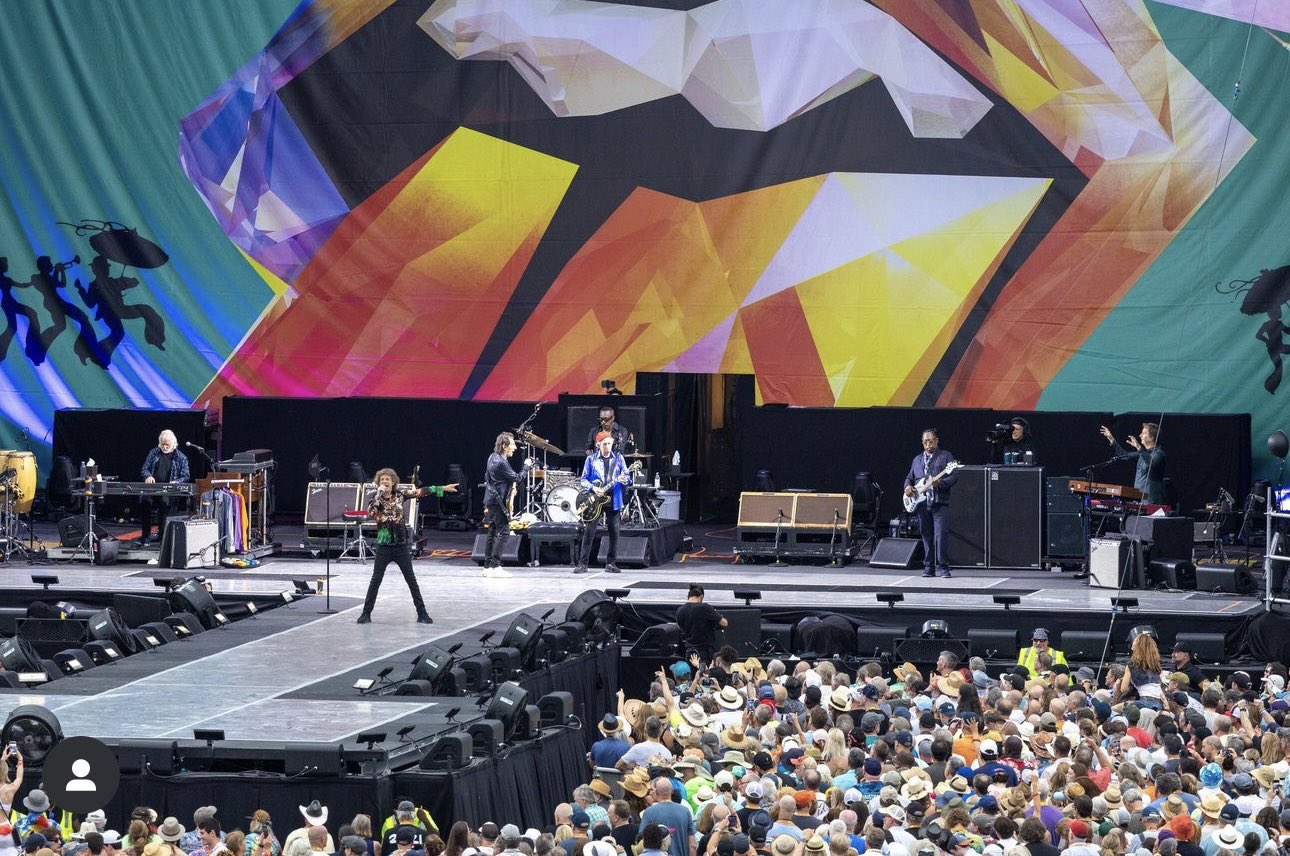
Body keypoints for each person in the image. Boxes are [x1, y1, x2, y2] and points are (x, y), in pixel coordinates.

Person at [357, 469, 456, 624]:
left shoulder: (400, 495)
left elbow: (421, 492)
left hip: (400, 546)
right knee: (375, 581)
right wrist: (378, 495)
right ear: (378, 483)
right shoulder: (374, 498)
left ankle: (422, 614)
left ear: (393, 482)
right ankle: (365, 614)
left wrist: (441, 488)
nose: (385, 481)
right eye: (382, 479)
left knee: (411, 580)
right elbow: (371, 513)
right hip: (383, 547)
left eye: (388, 479)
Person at [903, 428, 958, 579]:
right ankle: (928, 568)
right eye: (925, 442)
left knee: (941, 535)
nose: (928, 444)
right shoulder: (917, 460)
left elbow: (954, 476)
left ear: (937, 440)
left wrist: (940, 482)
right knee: (926, 535)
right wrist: (907, 488)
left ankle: (943, 568)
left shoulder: (945, 456)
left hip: (939, 502)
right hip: (921, 504)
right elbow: (909, 478)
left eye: (931, 441)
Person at [574, 432, 632, 575]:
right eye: (604, 444)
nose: (607, 447)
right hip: (595, 498)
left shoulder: (618, 458)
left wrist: (625, 479)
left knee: (614, 532)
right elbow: (583, 480)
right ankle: (583, 564)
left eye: (609, 444)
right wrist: (594, 488)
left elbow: (627, 477)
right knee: (589, 532)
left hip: (613, 498)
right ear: (598, 445)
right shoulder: (591, 459)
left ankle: (611, 563)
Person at [481, 432, 533, 570]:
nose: (515, 447)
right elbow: (517, 478)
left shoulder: (493, 457)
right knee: (504, 532)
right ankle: (495, 565)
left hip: (491, 499)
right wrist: (526, 466)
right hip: (497, 501)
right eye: (513, 444)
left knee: (492, 532)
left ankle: (488, 566)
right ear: (504, 446)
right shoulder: (500, 463)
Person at [138, 429, 191, 546]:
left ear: (173, 443)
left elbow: (186, 476)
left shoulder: (181, 457)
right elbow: (145, 469)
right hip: (153, 488)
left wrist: (176, 482)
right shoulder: (154, 453)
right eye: (162, 444)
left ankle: (162, 536)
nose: (164, 447)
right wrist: (148, 476)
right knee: (145, 501)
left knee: (164, 502)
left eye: (167, 444)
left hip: (168, 490)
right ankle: (145, 536)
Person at [1099, 422, 1168, 505]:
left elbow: (1152, 464)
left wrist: (1139, 447)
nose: (1140, 435)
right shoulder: (1142, 454)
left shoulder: (1159, 453)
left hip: (1151, 501)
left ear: (1152, 437)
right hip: (1138, 499)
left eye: (1143, 433)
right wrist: (1111, 439)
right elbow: (1124, 456)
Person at [676, 584, 727, 662]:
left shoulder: (680, 610)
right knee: (704, 670)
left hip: (689, 650)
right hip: (704, 651)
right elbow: (724, 623)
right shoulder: (705, 608)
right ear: (701, 596)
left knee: (692, 669)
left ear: (689, 596)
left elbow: (681, 627)